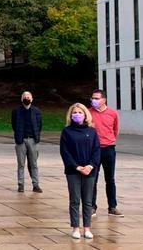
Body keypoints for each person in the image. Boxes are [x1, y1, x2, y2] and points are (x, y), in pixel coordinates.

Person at [60, 102, 100, 240]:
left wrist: (90, 166)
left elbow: (96, 150)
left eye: (80, 112)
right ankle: (75, 228)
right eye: (74, 113)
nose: (77, 115)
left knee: (88, 201)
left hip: (90, 170)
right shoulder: (67, 131)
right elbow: (65, 152)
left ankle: (87, 228)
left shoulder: (92, 131)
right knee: (75, 200)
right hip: (73, 171)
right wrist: (76, 166)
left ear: (85, 114)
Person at [87, 89, 122, 216]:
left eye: (97, 98)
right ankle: (91, 206)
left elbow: (115, 130)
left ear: (104, 100)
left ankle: (112, 206)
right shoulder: (88, 113)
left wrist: (109, 140)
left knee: (110, 179)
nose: (94, 100)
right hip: (93, 149)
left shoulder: (112, 113)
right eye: (92, 98)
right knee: (92, 178)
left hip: (109, 149)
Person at [11, 90, 42, 193]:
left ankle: (36, 185)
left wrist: (36, 137)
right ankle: (21, 185)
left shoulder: (36, 111)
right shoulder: (16, 111)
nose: (26, 98)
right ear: (21, 99)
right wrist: (18, 137)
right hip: (21, 140)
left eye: (28, 97)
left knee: (33, 164)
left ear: (32, 99)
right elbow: (14, 125)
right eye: (24, 96)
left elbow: (39, 125)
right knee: (21, 164)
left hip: (33, 140)